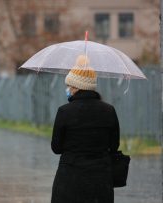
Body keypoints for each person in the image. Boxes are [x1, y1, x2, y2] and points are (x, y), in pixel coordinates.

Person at [51, 55, 120, 203]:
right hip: (101, 181)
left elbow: (56, 148)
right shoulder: (109, 110)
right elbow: (114, 146)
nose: (68, 89)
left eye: (69, 85)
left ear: (76, 87)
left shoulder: (64, 111)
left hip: (69, 179)